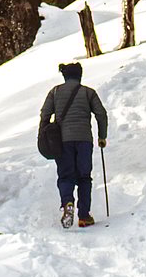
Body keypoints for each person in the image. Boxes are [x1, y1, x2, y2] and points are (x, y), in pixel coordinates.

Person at [39, 61, 108, 229]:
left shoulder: (54, 92)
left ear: (64, 76)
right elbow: (101, 114)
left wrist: (44, 135)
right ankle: (84, 216)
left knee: (66, 175)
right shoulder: (88, 92)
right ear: (80, 75)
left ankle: (67, 202)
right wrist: (102, 136)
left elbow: (45, 115)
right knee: (84, 177)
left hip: (62, 141)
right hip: (84, 140)